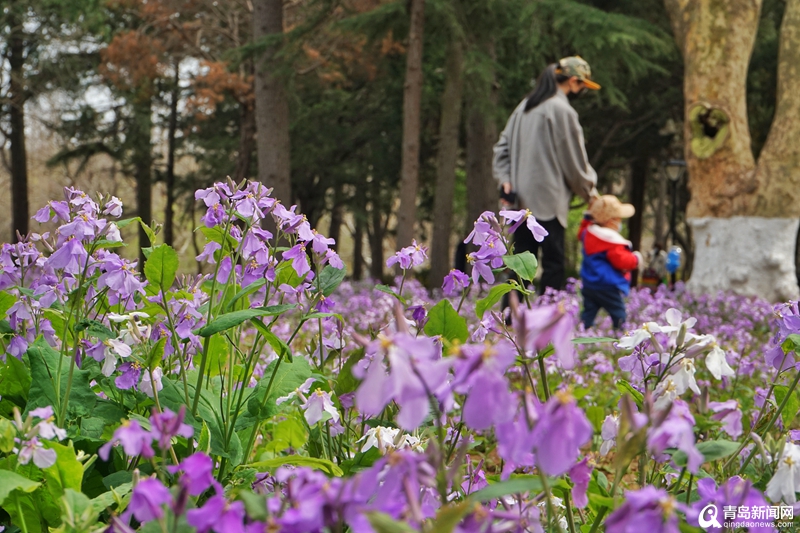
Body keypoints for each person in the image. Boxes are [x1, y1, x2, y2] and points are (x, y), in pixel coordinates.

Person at [493, 56, 600, 293]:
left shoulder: (524, 107)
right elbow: (574, 161)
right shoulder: (562, 110)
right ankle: (547, 321)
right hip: (549, 203)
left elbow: (501, 148)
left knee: (519, 268)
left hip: (520, 204)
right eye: (582, 85)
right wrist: (590, 193)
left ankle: (511, 321)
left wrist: (505, 180)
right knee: (553, 265)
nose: (581, 91)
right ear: (573, 82)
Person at [578, 195, 643, 329]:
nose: (620, 222)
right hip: (607, 286)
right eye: (618, 219)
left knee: (588, 313)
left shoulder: (588, 233)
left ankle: (582, 333)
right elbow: (622, 261)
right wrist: (635, 259)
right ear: (610, 222)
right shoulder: (610, 241)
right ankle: (621, 336)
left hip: (589, 285)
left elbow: (581, 232)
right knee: (619, 313)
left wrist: (587, 218)